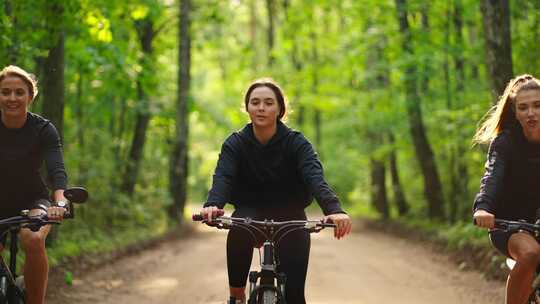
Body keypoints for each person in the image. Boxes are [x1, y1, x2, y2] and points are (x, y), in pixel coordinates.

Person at [198, 78, 352, 304]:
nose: (261, 107)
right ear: (247, 107)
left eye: (269, 103)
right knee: (239, 227)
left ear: (280, 109)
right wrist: (213, 205)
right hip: (249, 211)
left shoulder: (297, 143)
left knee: (295, 296)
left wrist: (334, 209)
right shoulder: (236, 143)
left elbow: (314, 177)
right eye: (255, 102)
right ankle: (236, 296)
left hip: (290, 215)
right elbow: (224, 176)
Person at [0, 65, 68, 304]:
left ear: (30, 96)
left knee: (34, 238)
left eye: (19, 92)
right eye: (5, 92)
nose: (12, 98)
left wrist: (60, 202)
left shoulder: (43, 129)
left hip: (32, 201)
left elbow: (57, 172)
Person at [473, 74, 540, 304]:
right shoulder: (505, 143)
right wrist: (483, 208)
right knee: (531, 253)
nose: (531, 113)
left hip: (537, 222)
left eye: (537, 106)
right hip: (507, 225)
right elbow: (492, 175)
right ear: (515, 112)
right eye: (523, 108)